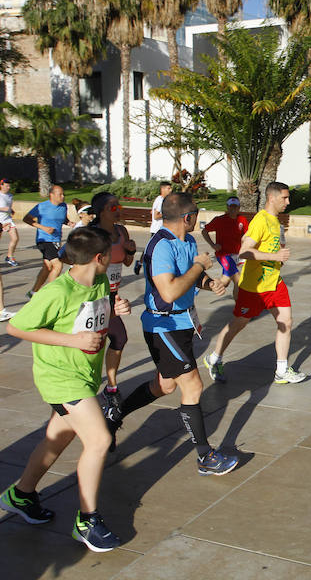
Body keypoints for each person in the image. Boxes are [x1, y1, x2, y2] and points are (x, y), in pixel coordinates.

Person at [4, 226, 131, 552]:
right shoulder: (57, 291)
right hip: (60, 377)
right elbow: (16, 326)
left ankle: (21, 494)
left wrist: (116, 307)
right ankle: (87, 520)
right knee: (100, 439)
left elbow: (99, 308)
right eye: (111, 252)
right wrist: (71, 340)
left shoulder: (100, 281)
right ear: (99, 257)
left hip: (85, 374)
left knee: (57, 437)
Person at [109, 192, 237, 475]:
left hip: (183, 324)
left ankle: (114, 414)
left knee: (165, 386)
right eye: (196, 215)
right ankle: (205, 457)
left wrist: (208, 283)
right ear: (187, 217)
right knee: (192, 387)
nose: (197, 220)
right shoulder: (161, 246)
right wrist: (199, 266)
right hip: (163, 325)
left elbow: (190, 276)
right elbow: (168, 291)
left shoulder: (188, 241)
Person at [203, 182, 310, 385]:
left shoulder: (275, 221)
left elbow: (248, 238)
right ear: (272, 198)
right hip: (254, 287)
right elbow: (245, 251)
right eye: (285, 198)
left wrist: (277, 255)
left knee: (286, 322)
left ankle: (281, 370)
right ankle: (214, 358)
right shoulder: (262, 219)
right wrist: (274, 255)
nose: (288, 202)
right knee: (239, 324)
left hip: (274, 283)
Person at [88, 193, 137, 441]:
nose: (118, 209)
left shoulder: (121, 231)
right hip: (92, 297)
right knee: (94, 344)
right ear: (101, 211)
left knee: (119, 338)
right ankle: (88, 390)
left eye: (119, 205)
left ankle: (111, 386)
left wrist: (130, 251)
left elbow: (127, 263)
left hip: (113, 295)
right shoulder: (92, 234)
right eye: (113, 206)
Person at [23, 184, 74, 297]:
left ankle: (33, 292)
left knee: (47, 267)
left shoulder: (63, 206)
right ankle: (48, 295)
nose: (63, 196)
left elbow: (63, 219)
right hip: (44, 240)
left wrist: (69, 223)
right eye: (60, 194)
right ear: (51, 195)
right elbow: (26, 219)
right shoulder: (42, 207)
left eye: (63, 194)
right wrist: (43, 228)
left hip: (56, 240)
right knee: (58, 265)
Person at [200, 196, 249, 298]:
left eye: (235, 207)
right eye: (231, 207)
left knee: (225, 282)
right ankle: (239, 308)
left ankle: (202, 284)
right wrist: (212, 245)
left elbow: (247, 235)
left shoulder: (242, 220)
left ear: (239, 208)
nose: (233, 209)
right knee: (238, 280)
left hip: (237, 255)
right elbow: (204, 231)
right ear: (227, 207)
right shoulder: (219, 220)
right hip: (224, 255)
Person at [134, 180, 172, 275]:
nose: (170, 190)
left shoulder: (162, 200)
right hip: (157, 230)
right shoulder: (160, 200)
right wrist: (168, 214)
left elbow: (152, 212)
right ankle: (141, 263)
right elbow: (156, 215)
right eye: (168, 188)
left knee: (158, 248)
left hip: (163, 230)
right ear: (162, 189)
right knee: (150, 249)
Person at [1, 177, 20, 266]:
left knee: (15, 238)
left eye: (9, 186)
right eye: (7, 185)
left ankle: (9, 256)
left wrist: (11, 210)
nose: (9, 187)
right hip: (0, 221)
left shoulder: (10, 196)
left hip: (8, 220)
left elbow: (8, 206)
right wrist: (2, 208)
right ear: (1, 186)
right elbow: (4, 207)